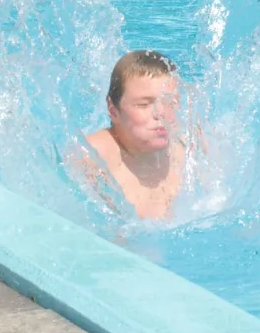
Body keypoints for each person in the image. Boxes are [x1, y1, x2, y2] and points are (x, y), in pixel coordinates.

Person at [77, 50, 185, 219]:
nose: (160, 113)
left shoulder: (191, 152)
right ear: (113, 111)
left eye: (170, 102)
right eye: (144, 104)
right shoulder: (90, 159)